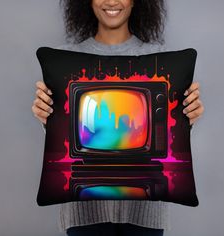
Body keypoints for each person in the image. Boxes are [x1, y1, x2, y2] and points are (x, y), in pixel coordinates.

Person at [31, 0, 204, 235]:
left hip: (146, 214)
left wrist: (188, 117)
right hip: (83, 215)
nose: (112, 1)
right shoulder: (66, 56)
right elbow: (66, 135)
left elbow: (171, 136)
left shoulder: (160, 56)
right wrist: (46, 117)